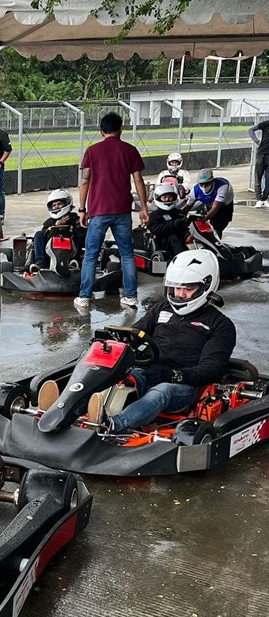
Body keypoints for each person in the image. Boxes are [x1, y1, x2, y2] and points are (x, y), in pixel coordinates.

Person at [86, 249, 236, 434]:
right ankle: (72, 410)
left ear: (206, 287)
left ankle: (112, 425)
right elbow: (133, 333)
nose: (180, 294)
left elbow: (212, 369)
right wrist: (109, 342)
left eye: (188, 289)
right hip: (148, 372)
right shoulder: (161, 309)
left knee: (161, 392)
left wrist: (174, 375)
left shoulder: (220, 325)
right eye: (176, 288)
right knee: (118, 377)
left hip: (183, 387)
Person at [74, 112, 148, 315]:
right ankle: (131, 297)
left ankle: (84, 297)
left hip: (98, 211)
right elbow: (138, 180)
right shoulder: (129, 150)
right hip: (122, 211)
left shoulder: (92, 151)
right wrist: (143, 207)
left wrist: (82, 209)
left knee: (91, 255)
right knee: (127, 255)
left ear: (101, 131)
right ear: (120, 129)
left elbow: (85, 181)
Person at [28, 188, 85, 272]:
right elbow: (45, 239)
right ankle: (40, 263)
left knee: (78, 233)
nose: (56, 207)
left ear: (67, 203)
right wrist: (56, 226)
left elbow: (83, 239)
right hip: (50, 256)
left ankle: (74, 263)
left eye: (59, 204)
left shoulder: (75, 219)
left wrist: (75, 229)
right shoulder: (49, 222)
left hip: (72, 255)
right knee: (39, 234)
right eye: (54, 205)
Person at [186, 168, 234, 237]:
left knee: (219, 225)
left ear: (212, 181)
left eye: (207, 183)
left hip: (225, 203)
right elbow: (187, 207)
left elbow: (215, 208)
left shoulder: (222, 186)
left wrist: (204, 219)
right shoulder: (195, 190)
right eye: (201, 184)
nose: (204, 187)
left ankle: (217, 238)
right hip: (208, 201)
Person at [147, 183, 189, 261]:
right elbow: (155, 229)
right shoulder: (154, 215)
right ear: (158, 198)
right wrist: (174, 224)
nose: (167, 200)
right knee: (172, 236)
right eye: (164, 197)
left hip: (181, 239)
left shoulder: (178, 212)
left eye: (170, 197)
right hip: (163, 243)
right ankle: (184, 259)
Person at [248, 117, 269, 206]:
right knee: (258, 177)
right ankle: (259, 199)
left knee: (268, 179)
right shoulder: (266, 123)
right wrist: (256, 141)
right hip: (261, 154)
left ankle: (264, 198)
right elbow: (251, 130)